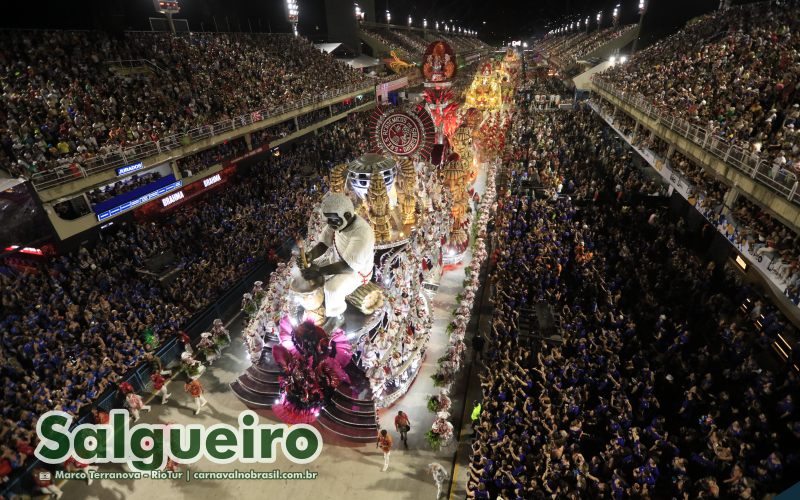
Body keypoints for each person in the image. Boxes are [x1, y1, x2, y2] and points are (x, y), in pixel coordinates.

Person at [303, 192, 376, 332]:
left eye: (332, 221)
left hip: (357, 273)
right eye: (328, 221)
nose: (330, 225)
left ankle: (337, 316)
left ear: (347, 215)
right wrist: (310, 256)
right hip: (338, 261)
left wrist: (319, 271)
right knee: (310, 268)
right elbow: (324, 244)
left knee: (332, 288)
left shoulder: (363, 233)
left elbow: (348, 267)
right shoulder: (336, 221)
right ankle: (318, 300)